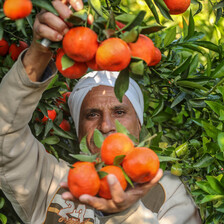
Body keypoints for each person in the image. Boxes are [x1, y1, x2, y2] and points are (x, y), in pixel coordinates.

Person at [0, 0, 201, 223]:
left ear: (140, 124)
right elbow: (4, 132)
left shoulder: (168, 191)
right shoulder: (52, 181)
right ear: (78, 128)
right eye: (92, 114)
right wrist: (40, 50)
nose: (106, 126)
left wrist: (125, 213)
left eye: (119, 112)